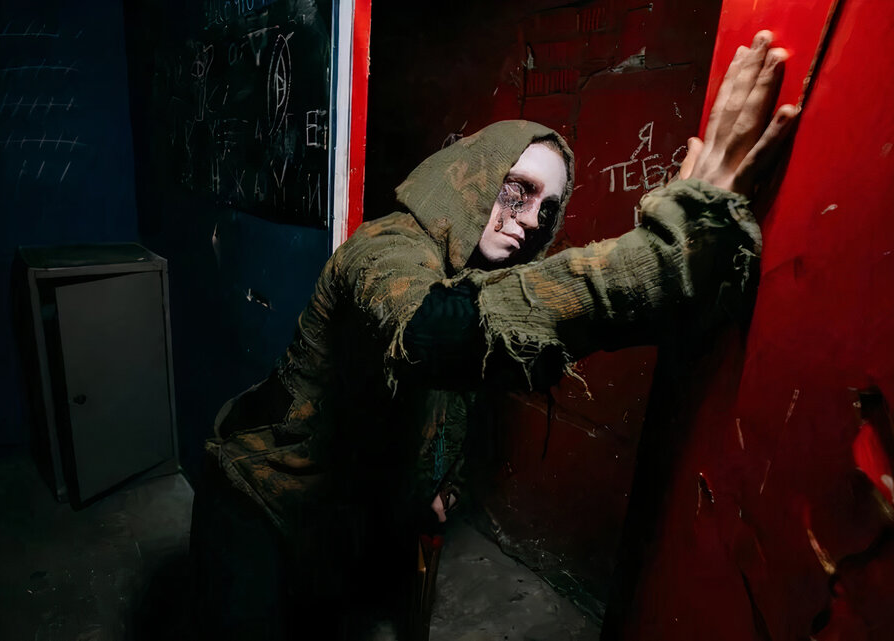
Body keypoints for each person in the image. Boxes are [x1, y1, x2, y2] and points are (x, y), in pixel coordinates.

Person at [191, 31, 797, 640]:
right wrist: (665, 255)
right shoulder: (384, 246)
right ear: (472, 176)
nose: (530, 221)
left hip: (336, 523)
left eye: (546, 209)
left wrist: (433, 490)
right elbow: (434, 333)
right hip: (257, 502)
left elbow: (452, 397)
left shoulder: (473, 276)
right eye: (518, 190)